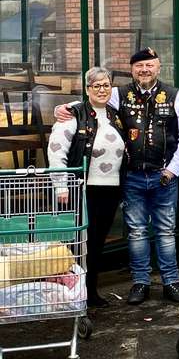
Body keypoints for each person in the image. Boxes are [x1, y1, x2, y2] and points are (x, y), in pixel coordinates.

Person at [57, 48, 179, 304]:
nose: (144, 70)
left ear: (159, 67)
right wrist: (63, 108)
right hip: (132, 176)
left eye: (149, 65)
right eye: (139, 66)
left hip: (164, 175)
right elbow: (90, 104)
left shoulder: (177, 96)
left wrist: (172, 169)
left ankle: (171, 282)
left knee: (166, 231)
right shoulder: (118, 94)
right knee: (136, 232)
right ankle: (140, 283)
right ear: (132, 69)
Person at [48, 67, 125, 308]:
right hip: (82, 189)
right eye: (96, 86)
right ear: (87, 89)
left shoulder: (115, 115)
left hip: (110, 189)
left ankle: (90, 292)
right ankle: (73, 294)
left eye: (106, 85)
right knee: (78, 244)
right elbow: (56, 151)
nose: (102, 90)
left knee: (97, 242)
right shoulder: (73, 114)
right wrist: (61, 185)